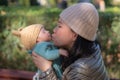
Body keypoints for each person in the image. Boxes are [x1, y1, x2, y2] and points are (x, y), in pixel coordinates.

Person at [31, 3, 110, 80]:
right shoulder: (90, 51)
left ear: (75, 35)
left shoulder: (81, 71)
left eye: (59, 26)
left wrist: (46, 70)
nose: (54, 30)